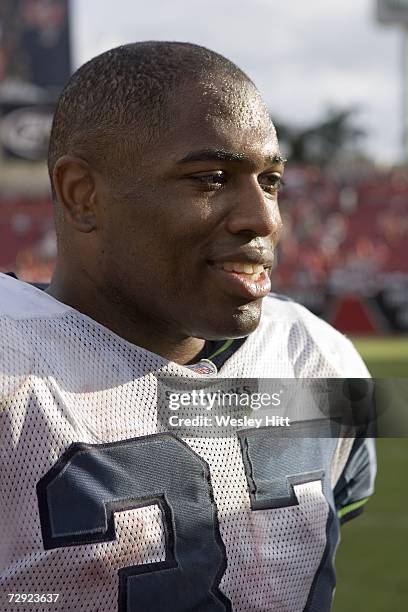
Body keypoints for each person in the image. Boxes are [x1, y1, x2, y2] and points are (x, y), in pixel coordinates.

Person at [0, 42, 375, 612]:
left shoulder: (318, 357)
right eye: (209, 178)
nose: (264, 218)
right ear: (82, 195)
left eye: (270, 180)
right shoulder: (13, 366)